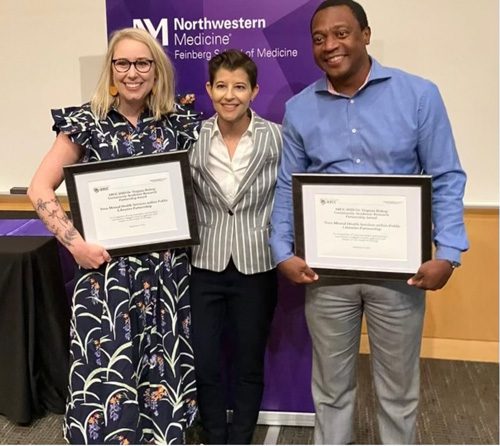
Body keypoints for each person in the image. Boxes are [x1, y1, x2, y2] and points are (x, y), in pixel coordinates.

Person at [269, 0, 469, 444]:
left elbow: (447, 176)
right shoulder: (301, 109)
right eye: (319, 38)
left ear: (365, 34)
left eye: (341, 33)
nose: (329, 45)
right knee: (331, 388)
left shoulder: (418, 95)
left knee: (398, 392)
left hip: (400, 274)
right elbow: (287, 186)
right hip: (327, 274)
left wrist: (449, 254)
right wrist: (282, 250)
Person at [28, 28, 199, 444]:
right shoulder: (85, 122)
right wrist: (75, 245)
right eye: (122, 63)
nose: (132, 73)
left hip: (165, 275)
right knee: (108, 375)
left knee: (161, 373)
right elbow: (38, 189)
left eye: (143, 63)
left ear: (156, 71)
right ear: (111, 70)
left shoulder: (178, 122)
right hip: (106, 274)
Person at [188, 49, 282, 444]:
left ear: (254, 91)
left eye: (239, 86)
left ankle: (241, 436)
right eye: (221, 86)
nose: (230, 95)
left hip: (256, 264)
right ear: (209, 90)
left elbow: (294, 193)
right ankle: (213, 435)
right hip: (203, 263)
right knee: (205, 361)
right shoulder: (191, 136)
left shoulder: (277, 137)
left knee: (248, 361)